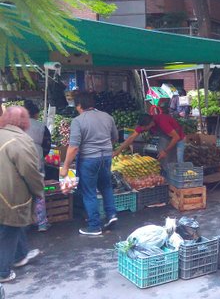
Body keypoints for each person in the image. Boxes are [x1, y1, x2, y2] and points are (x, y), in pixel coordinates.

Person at [61, 92, 119, 236]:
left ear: (79, 105)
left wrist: (66, 167)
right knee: (106, 187)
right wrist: (104, 148)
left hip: (88, 160)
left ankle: (94, 226)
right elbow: (115, 138)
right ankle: (112, 215)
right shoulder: (107, 117)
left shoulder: (78, 121)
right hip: (105, 158)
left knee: (89, 192)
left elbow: (74, 147)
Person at [0, 107, 43, 283]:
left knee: (13, 228)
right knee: (10, 229)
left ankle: (20, 256)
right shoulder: (20, 140)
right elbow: (30, 171)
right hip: (10, 196)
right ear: (24, 122)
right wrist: (39, 190)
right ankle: (3, 272)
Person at [115, 112, 185, 165]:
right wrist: (118, 151)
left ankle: (180, 180)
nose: (144, 130)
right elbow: (131, 138)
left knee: (178, 161)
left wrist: (165, 151)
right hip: (165, 138)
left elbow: (176, 137)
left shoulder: (163, 122)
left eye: (145, 128)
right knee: (163, 160)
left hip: (178, 139)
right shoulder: (144, 124)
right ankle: (166, 177)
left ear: (151, 123)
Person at [23, 100, 52, 232]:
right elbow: (47, 145)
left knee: (22, 191)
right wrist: (42, 155)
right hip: (37, 161)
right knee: (39, 192)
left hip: (20, 162)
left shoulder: (17, 126)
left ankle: (24, 222)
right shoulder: (41, 126)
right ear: (35, 114)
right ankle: (41, 223)